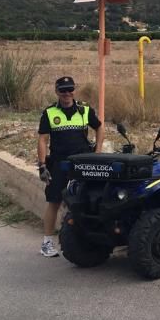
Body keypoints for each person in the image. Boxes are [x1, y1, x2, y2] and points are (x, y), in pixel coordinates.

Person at [37, 76, 102, 257]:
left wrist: (97, 151)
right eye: (63, 90)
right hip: (59, 164)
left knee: (84, 199)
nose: (67, 94)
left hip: (82, 165)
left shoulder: (85, 110)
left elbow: (99, 127)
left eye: (70, 89)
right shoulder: (49, 113)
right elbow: (42, 140)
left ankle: (83, 238)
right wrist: (42, 165)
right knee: (54, 201)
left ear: (74, 90)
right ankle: (47, 243)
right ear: (56, 92)